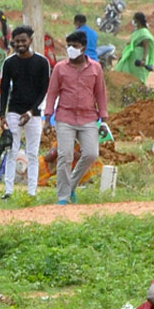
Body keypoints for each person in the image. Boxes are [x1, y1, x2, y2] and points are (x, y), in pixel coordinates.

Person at [46, 30, 108, 205]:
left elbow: (101, 94)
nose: (71, 49)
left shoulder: (95, 68)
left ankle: (71, 185)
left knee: (91, 153)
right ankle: (63, 197)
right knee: (65, 156)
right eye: (69, 46)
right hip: (65, 117)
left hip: (88, 117)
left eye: (75, 46)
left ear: (84, 47)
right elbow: (52, 93)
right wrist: (47, 116)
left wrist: (104, 120)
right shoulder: (60, 68)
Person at [0, 25, 50, 200]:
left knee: (32, 153)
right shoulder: (9, 63)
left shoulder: (42, 63)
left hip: (34, 113)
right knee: (12, 151)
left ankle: (32, 192)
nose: (20, 44)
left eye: (23, 41)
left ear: (30, 41)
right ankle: (8, 191)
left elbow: (45, 91)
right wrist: (1, 114)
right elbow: (3, 89)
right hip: (14, 110)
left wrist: (32, 111)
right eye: (17, 41)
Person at [114, 12, 154, 84]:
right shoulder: (137, 31)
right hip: (133, 58)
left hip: (139, 57)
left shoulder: (144, 33)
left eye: (134, 20)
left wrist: (143, 59)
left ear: (138, 21)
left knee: (139, 77)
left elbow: (146, 46)